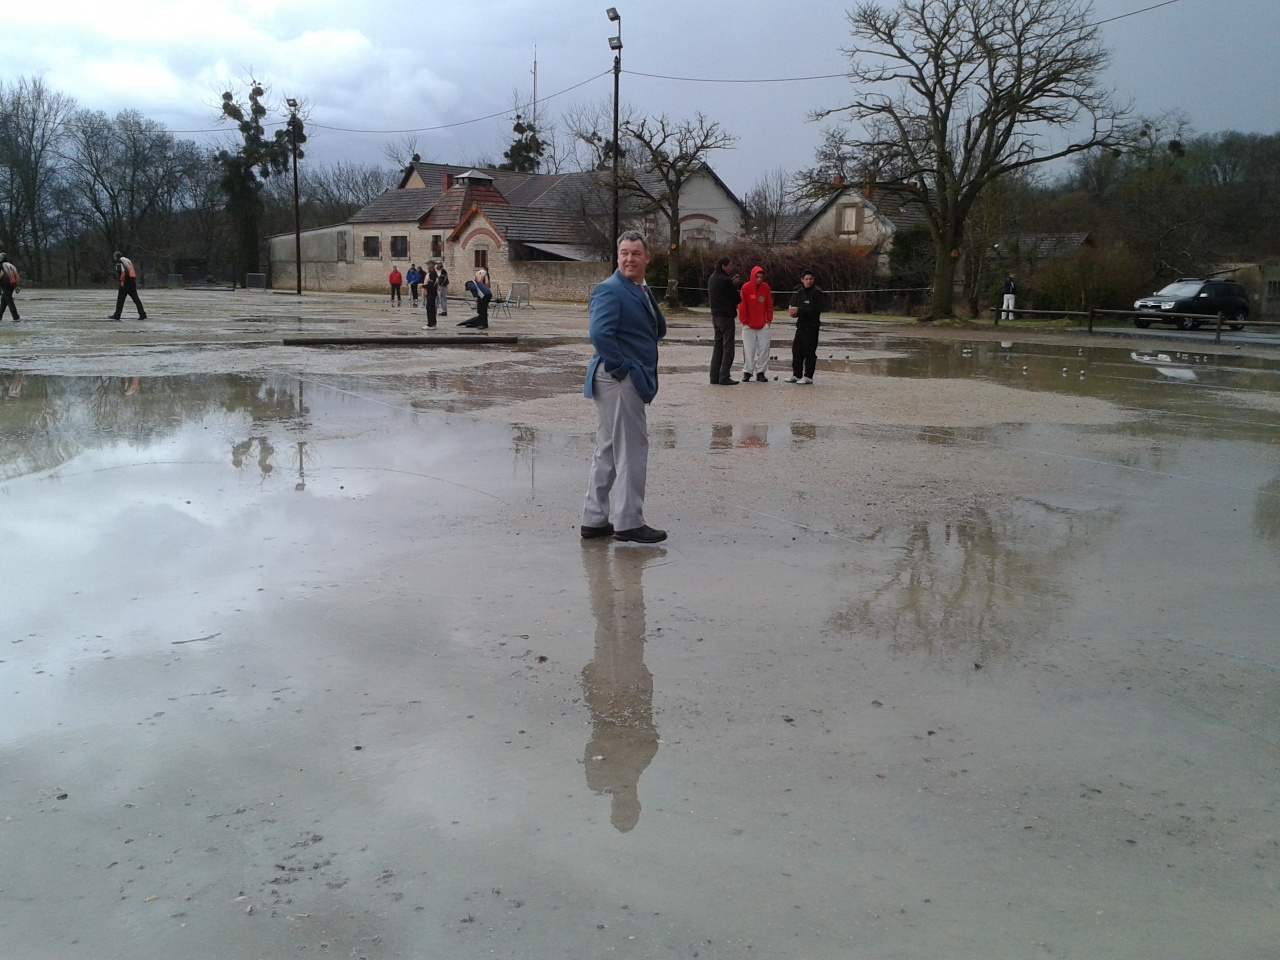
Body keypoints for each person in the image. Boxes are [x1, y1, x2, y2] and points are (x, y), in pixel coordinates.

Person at [581, 231, 667, 544]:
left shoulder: (639, 288)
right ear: (617, 256)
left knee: (607, 449)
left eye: (635, 253)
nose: (629, 259)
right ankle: (629, 522)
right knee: (632, 449)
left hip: (617, 378)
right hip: (617, 379)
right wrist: (623, 368)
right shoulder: (610, 289)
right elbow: (599, 334)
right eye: (624, 253)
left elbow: (656, 328)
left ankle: (594, 519)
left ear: (647, 258)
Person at [785, 269, 828, 384]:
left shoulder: (817, 293)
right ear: (802, 280)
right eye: (806, 279)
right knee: (796, 350)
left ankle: (808, 376)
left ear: (813, 280)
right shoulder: (800, 292)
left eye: (810, 279)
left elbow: (815, 309)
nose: (808, 281)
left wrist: (799, 310)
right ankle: (796, 375)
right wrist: (793, 312)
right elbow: (794, 305)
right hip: (801, 326)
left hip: (812, 327)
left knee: (809, 352)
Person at [706, 257, 739, 385]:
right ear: (724, 266)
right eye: (730, 265)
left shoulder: (712, 278)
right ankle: (724, 375)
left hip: (715, 316)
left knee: (718, 346)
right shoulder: (726, 281)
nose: (731, 268)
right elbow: (737, 298)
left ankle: (714, 376)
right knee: (728, 347)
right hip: (726, 316)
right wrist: (733, 284)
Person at [737, 265, 773, 382]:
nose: (759, 279)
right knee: (749, 349)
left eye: (761, 277)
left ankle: (760, 372)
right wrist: (744, 321)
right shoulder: (746, 287)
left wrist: (768, 320)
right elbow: (742, 305)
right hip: (748, 325)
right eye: (757, 277)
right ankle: (747, 371)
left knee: (764, 349)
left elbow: (769, 304)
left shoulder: (766, 288)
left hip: (763, 324)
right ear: (753, 276)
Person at [109, 251, 146, 320]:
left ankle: (117, 315)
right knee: (136, 299)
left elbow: (122, 272)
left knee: (120, 299)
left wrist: (122, 281)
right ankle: (142, 314)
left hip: (126, 281)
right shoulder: (127, 260)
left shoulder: (119, 261)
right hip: (132, 280)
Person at [0, 253, 20, 323]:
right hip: (12, 285)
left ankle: (16, 317)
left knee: (9, 301)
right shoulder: (11, 265)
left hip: (5, 284)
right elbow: (16, 276)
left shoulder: (1, 265)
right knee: (4, 301)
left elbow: (1, 274)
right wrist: (16, 286)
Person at [422, 262, 438, 328]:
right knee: (430, 308)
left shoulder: (433, 274)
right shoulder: (430, 273)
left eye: (428, 265)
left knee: (430, 308)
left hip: (431, 293)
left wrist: (423, 286)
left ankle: (430, 324)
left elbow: (431, 284)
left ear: (432, 266)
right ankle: (433, 323)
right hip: (429, 293)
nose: (427, 266)